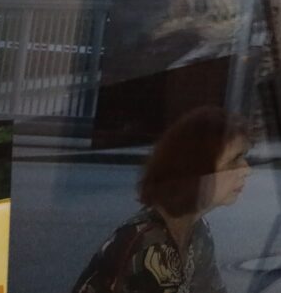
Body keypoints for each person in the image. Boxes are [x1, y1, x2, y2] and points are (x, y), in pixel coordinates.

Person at [71, 107, 251, 293]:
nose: (246, 169)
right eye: (234, 160)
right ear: (197, 169)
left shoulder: (197, 230)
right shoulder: (151, 247)